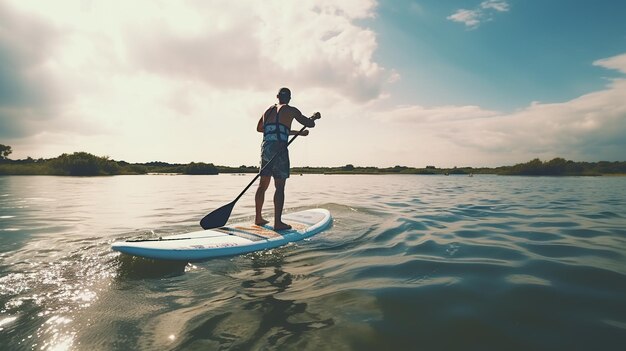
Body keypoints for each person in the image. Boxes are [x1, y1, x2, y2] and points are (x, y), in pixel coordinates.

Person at [255, 87, 321, 230]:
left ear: (277, 96)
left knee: (262, 185)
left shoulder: (268, 110)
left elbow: (261, 128)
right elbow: (310, 124)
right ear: (289, 98)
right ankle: (278, 223)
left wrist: (296, 132)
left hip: (266, 148)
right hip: (280, 149)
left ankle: (258, 218)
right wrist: (314, 117)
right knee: (279, 187)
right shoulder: (291, 110)